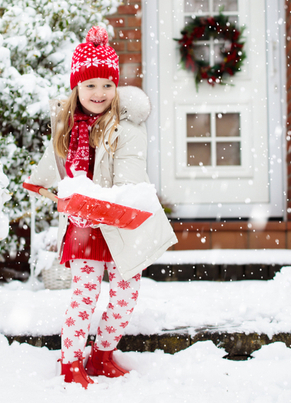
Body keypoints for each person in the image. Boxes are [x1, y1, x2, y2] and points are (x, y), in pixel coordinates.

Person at [22, 26, 177, 388]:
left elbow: (132, 180)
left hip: (120, 222)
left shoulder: (126, 129)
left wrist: (119, 204)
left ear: (116, 88)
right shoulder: (66, 127)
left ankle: (103, 354)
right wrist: (65, 201)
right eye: (90, 84)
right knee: (85, 294)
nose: (99, 92)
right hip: (85, 225)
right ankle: (71, 360)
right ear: (76, 87)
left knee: (126, 295)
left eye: (107, 84)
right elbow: (46, 179)